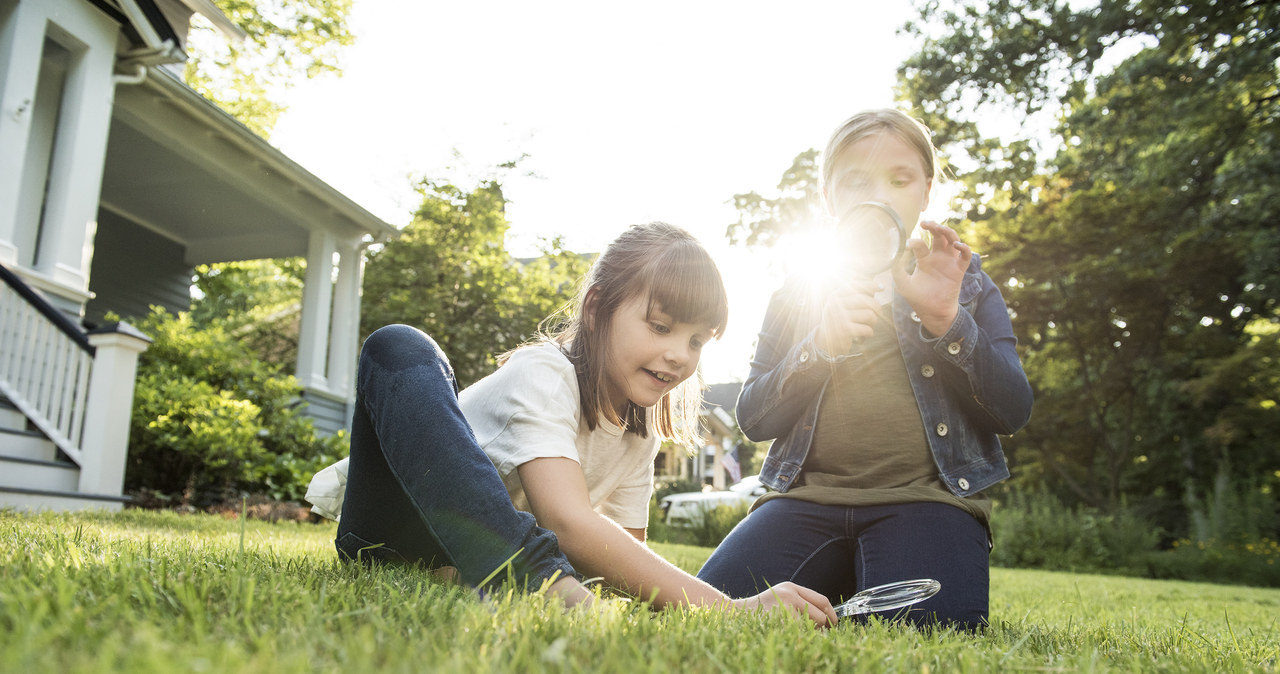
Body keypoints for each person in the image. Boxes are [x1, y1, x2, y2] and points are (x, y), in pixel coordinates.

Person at [306, 222, 837, 626]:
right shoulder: (545, 372)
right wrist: (733, 610)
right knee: (397, 344)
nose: (679, 354)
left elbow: (616, 564)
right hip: (393, 534)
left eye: (697, 340)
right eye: (661, 326)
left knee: (572, 577)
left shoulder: (642, 430)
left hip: (470, 565)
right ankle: (536, 581)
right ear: (596, 308)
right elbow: (568, 522)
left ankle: (494, 576)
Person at [695, 109, 1034, 630]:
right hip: (803, 502)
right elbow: (754, 417)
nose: (878, 194)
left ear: (925, 192)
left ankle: (878, 568)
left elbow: (1012, 409)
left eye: (900, 179)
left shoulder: (964, 282)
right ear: (829, 199)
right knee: (713, 609)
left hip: (927, 503)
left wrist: (947, 320)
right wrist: (818, 345)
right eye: (856, 181)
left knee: (934, 629)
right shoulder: (798, 291)